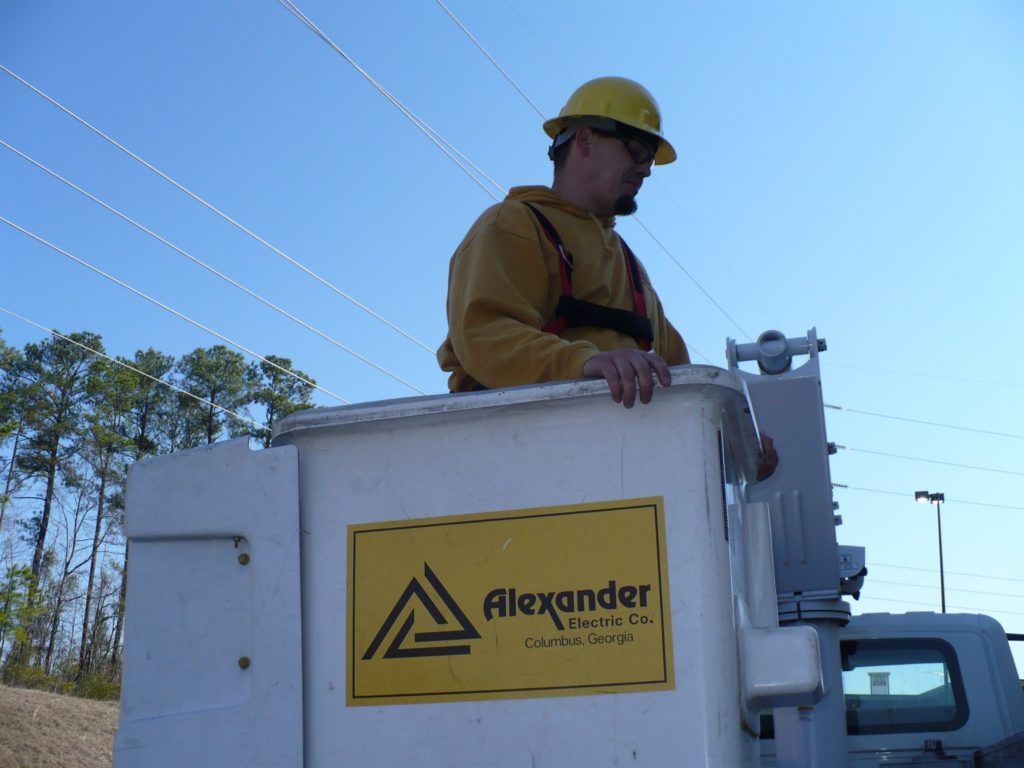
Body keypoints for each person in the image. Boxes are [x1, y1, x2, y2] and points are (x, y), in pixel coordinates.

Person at [438, 76, 688, 409]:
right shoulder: (513, 224)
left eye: (650, 158)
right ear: (584, 139)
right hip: (517, 440)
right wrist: (582, 363)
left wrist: (733, 430)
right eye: (638, 150)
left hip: (623, 447)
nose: (645, 170)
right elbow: (485, 337)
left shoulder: (630, 266)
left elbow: (680, 374)